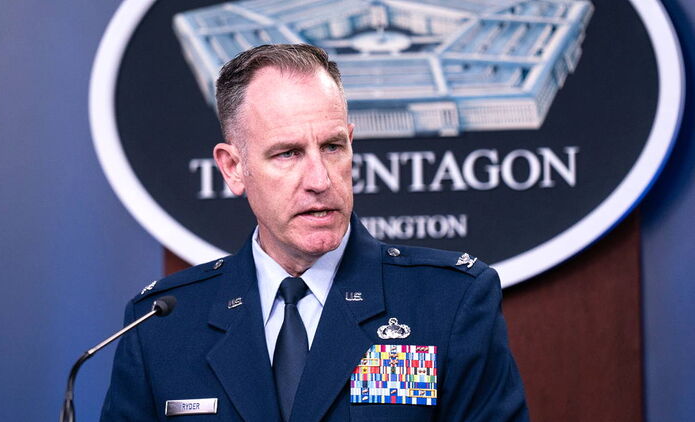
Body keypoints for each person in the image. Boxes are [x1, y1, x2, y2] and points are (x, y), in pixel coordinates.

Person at [101, 44, 529, 421]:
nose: (320, 179)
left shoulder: (448, 302)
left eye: (332, 147)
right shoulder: (162, 325)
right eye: (288, 153)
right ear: (233, 168)